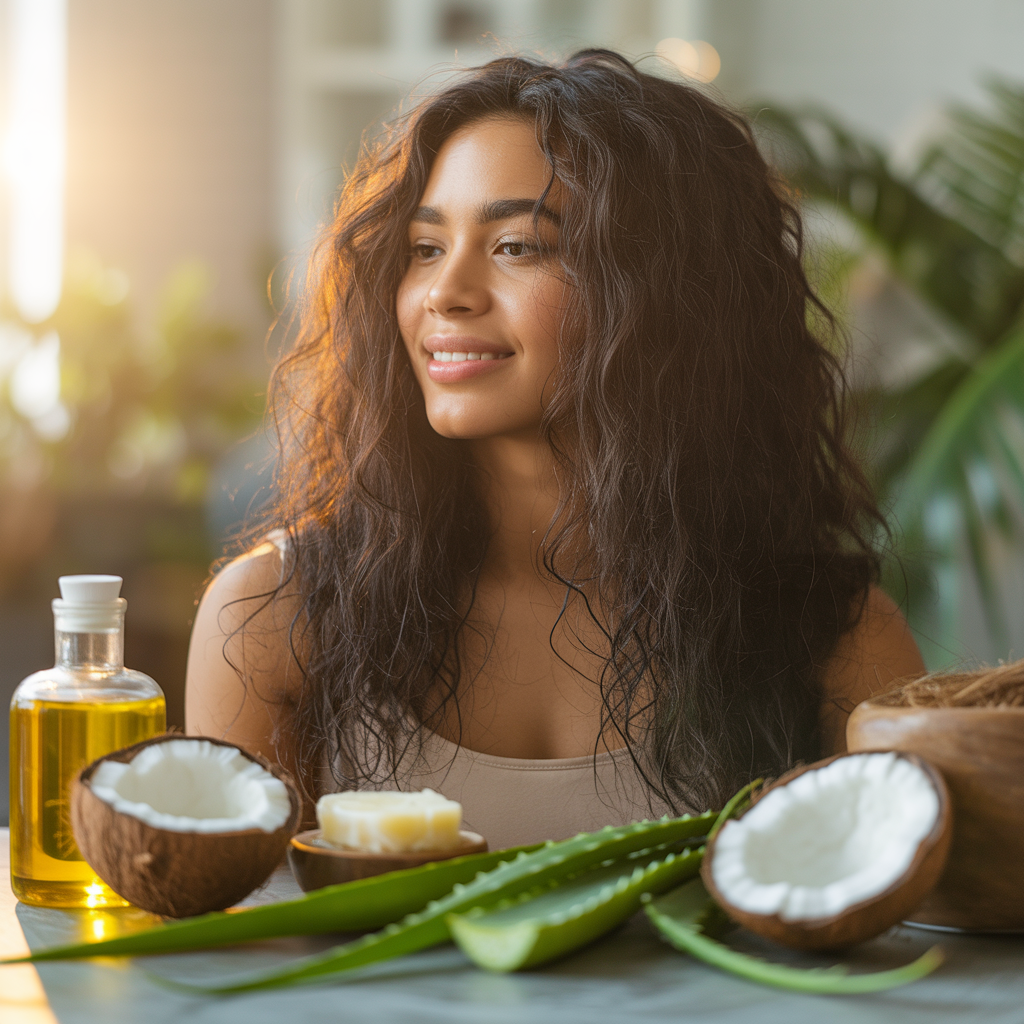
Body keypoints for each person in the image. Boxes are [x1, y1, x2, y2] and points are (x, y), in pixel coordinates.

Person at [185, 50, 925, 849]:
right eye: (425, 249)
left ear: (667, 296)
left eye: (517, 247)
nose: (444, 292)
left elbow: (908, 931)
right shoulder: (272, 617)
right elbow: (231, 942)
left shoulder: (836, 636)